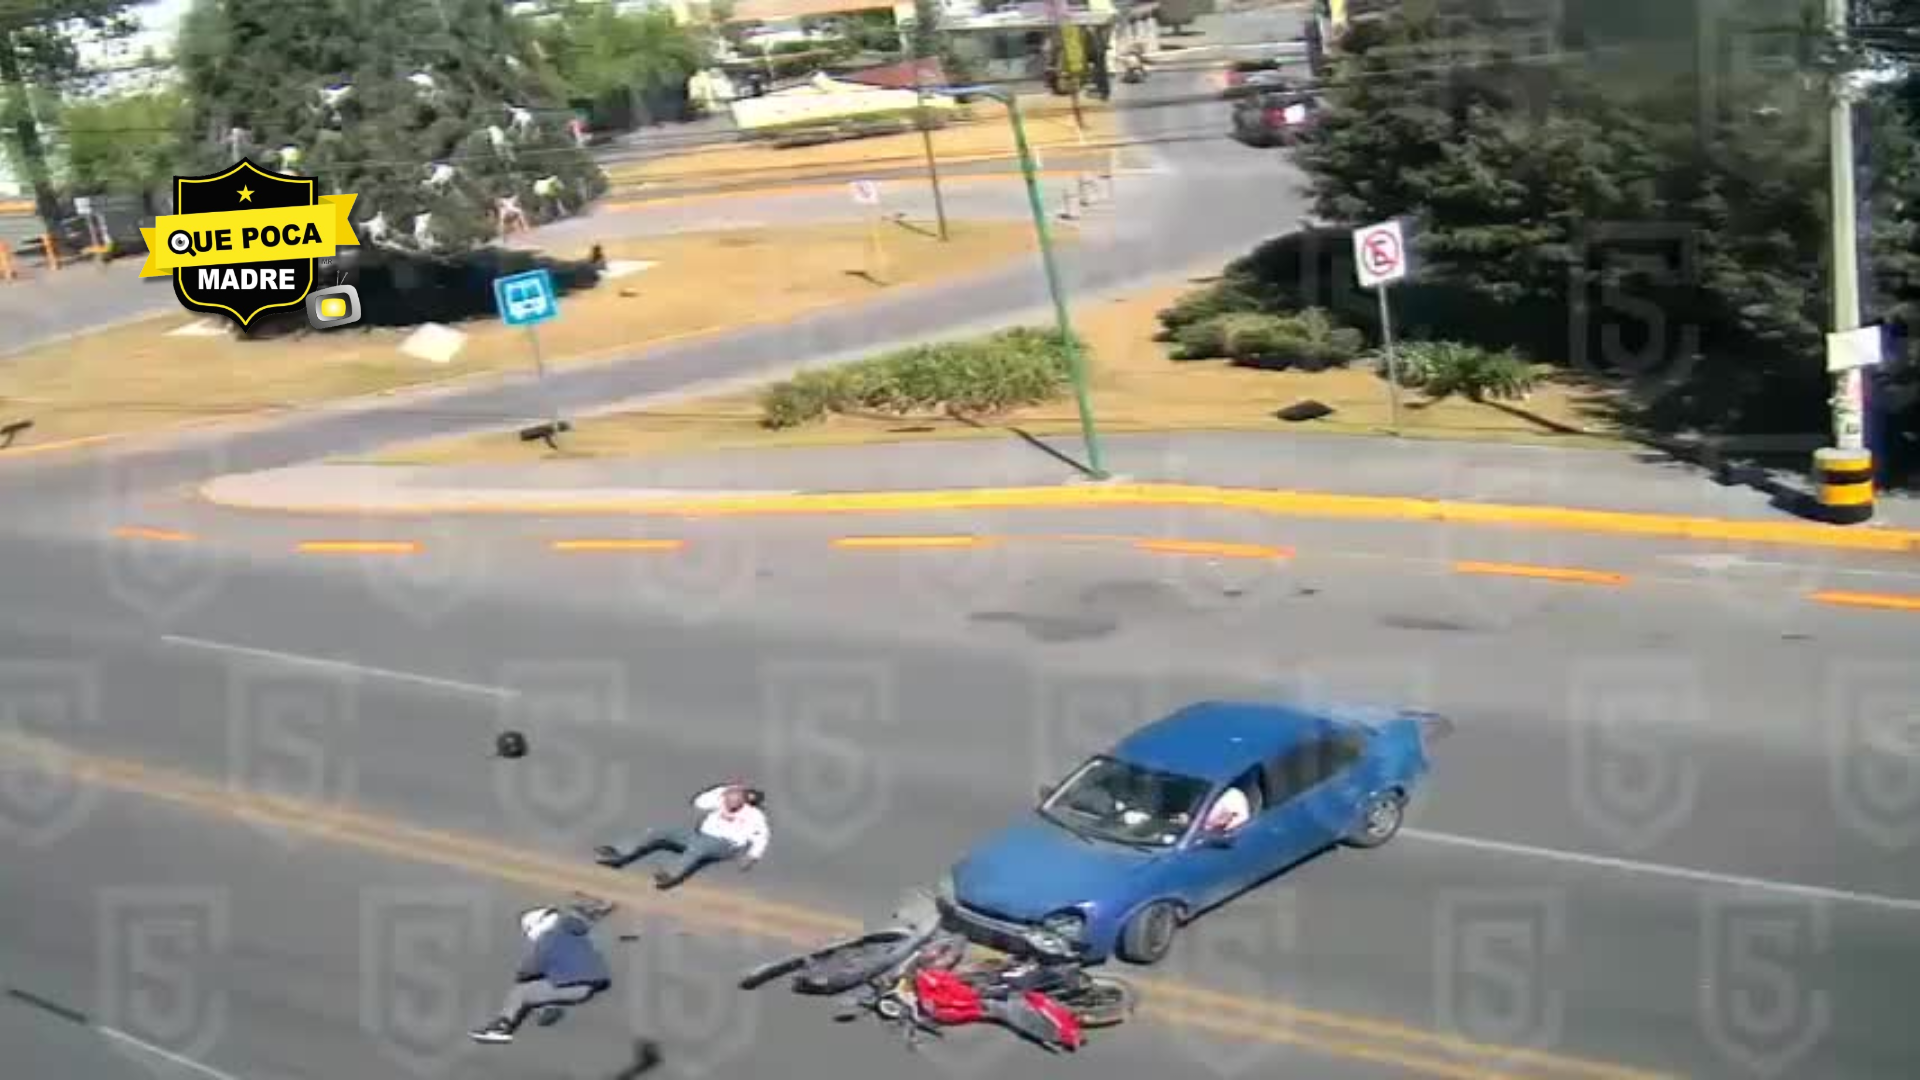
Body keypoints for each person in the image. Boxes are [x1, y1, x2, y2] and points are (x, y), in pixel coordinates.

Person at [469, 901, 614, 1044]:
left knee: (521, 992)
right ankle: (546, 1008)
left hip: (574, 984)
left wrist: (522, 975)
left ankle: (501, 1028)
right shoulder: (572, 931)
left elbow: (533, 966)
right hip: (592, 983)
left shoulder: (548, 938)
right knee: (539, 990)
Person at [594, 782, 770, 890]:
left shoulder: (754, 815)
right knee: (659, 831)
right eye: (728, 799)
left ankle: (669, 876)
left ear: (744, 802)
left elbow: (761, 837)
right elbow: (699, 803)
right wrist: (721, 791)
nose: (730, 803)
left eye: (735, 801)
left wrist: (751, 857)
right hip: (698, 835)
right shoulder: (720, 799)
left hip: (725, 846)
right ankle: (618, 854)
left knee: (698, 848)